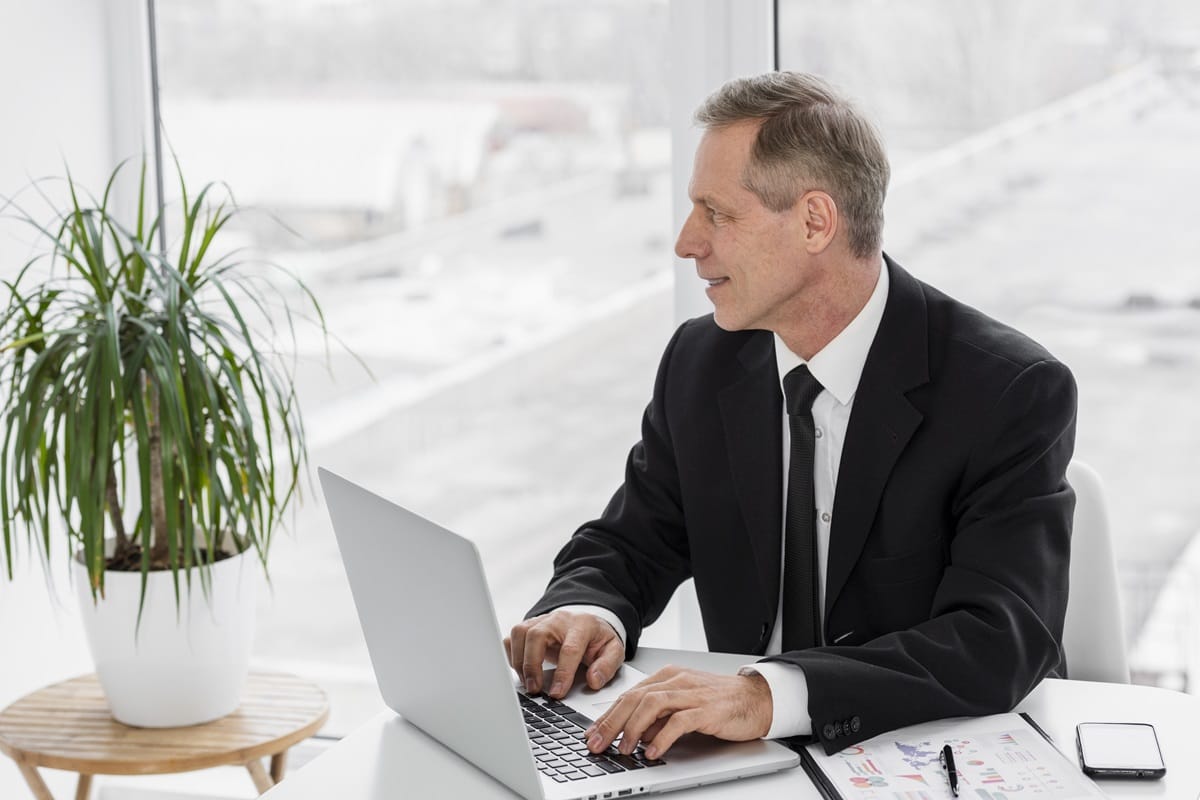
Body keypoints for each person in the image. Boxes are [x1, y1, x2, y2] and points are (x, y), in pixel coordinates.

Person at [505, 71, 1076, 759]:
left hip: (922, 758)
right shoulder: (702, 362)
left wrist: (766, 695)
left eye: (716, 212)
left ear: (814, 221)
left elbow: (998, 637)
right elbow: (632, 542)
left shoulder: (1007, 392)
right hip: (732, 766)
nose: (688, 242)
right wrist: (586, 610)